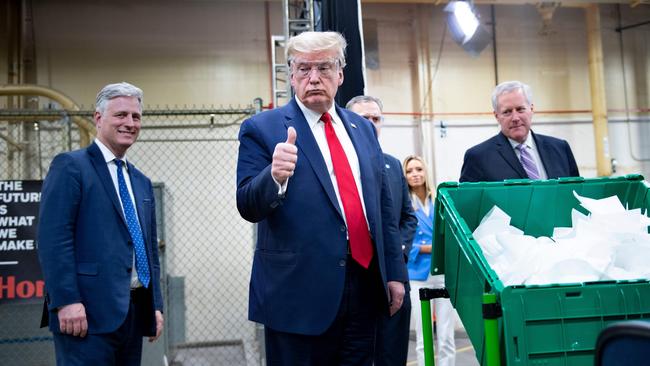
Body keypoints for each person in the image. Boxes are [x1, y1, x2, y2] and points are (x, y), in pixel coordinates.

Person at [236, 31, 408, 365]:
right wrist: (273, 176)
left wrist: (395, 273)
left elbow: (383, 209)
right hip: (298, 296)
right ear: (291, 75)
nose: (314, 78)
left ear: (340, 74)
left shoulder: (362, 128)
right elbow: (247, 204)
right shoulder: (262, 129)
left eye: (325, 68)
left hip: (364, 287)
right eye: (303, 69)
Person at [37, 82, 164, 365]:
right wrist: (66, 300)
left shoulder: (141, 182)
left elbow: (149, 251)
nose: (129, 123)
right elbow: (53, 240)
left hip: (133, 314)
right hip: (85, 316)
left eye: (136, 117)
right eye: (121, 115)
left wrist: (155, 306)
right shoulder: (71, 167)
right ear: (98, 118)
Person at [346, 95, 417, 366]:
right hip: (355, 278)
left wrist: (397, 253)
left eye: (376, 118)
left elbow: (407, 218)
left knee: (392, 354)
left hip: (394, 275)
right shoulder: (339, 167)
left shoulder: (392, 164)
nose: (371, 124)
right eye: (364, 119)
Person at [460, 80, 580, 182]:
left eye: (520, 109)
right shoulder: (478, 157)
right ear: (496, 116)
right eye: (507, 112)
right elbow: (467, 205)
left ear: (531, 109)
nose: (515, 118)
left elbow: (575, 194)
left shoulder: (560, 149)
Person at [404, 155, 456, 366]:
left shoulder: (441, 201)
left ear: (426, 172)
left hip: (442, 272)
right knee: (423, 336)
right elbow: (401, 240)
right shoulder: (403, 203)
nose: (415, 174)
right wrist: (426, 248)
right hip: (417, 274)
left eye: (418, 169)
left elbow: (452, 233)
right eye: (409, 171)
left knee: (446, 335)